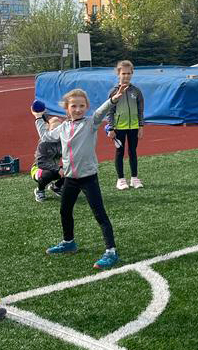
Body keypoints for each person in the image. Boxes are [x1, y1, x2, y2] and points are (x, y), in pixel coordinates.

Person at [31, 86, 127, 269]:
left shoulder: (90, 123)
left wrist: (113, 100)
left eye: (82, 106)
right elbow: (45, 136)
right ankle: (69, 242)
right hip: (70, 179)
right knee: (65, 211)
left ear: (87, 107)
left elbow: (100, 112)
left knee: (100, 215)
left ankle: (111, 251)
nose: (78, 109)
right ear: (67, 108)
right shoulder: (63, 127)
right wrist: (38, 117)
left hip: (88, 178)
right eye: (74, 106)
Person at [106, 60, 145, 190]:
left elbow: (140, 110)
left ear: (132, 74)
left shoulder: (136, 91)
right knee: (120, 152)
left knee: (133, 152)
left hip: (134, 127)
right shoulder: (113, 92)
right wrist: (111, 128)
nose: (126, 76)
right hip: (119, 128)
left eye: (129, 73)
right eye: (123, 73)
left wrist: (141, 126)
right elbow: (109, 111)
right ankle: (121, 180)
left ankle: (134, 178)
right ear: (118, 74)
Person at [31, 116, 64, 202]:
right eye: (53, 129)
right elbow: (41, 163)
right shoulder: (43, 143)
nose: (55, 132)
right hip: (39, 170)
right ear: (48, 129)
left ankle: (56, 187)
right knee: (47, 174)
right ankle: (40, 190)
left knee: (73, 170)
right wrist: (58, 169)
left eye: (58, 130)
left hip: (54, 169)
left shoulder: (63, 142)